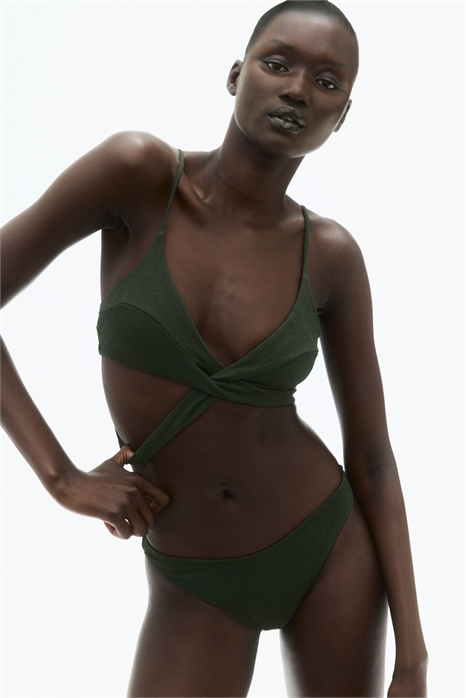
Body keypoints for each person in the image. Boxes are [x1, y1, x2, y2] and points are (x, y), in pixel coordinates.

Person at [1, 1, 428, 695]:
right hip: (194, 576)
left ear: (342, 115)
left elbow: (374, 460)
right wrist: (60, 477)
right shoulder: (138, 176)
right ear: (236, 74)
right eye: (278, 63)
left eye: (327, 82)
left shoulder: (330, 256)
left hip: (327, 550)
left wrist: (413, 656)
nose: (298, 89)